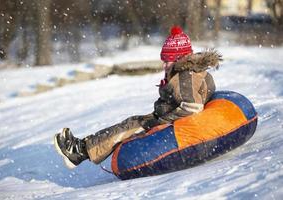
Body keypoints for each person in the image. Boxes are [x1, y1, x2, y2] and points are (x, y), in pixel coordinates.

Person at [54, 26, 222, 169]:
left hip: (178, 125)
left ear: (180, 58)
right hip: (172, 118)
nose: (164, 64)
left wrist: (162, 121)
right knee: (133, 122)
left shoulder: (185, 77)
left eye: (168, 60)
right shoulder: (189, 72)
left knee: (132, 126)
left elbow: (192, 108)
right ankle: (82, 148)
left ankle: (78, 152)